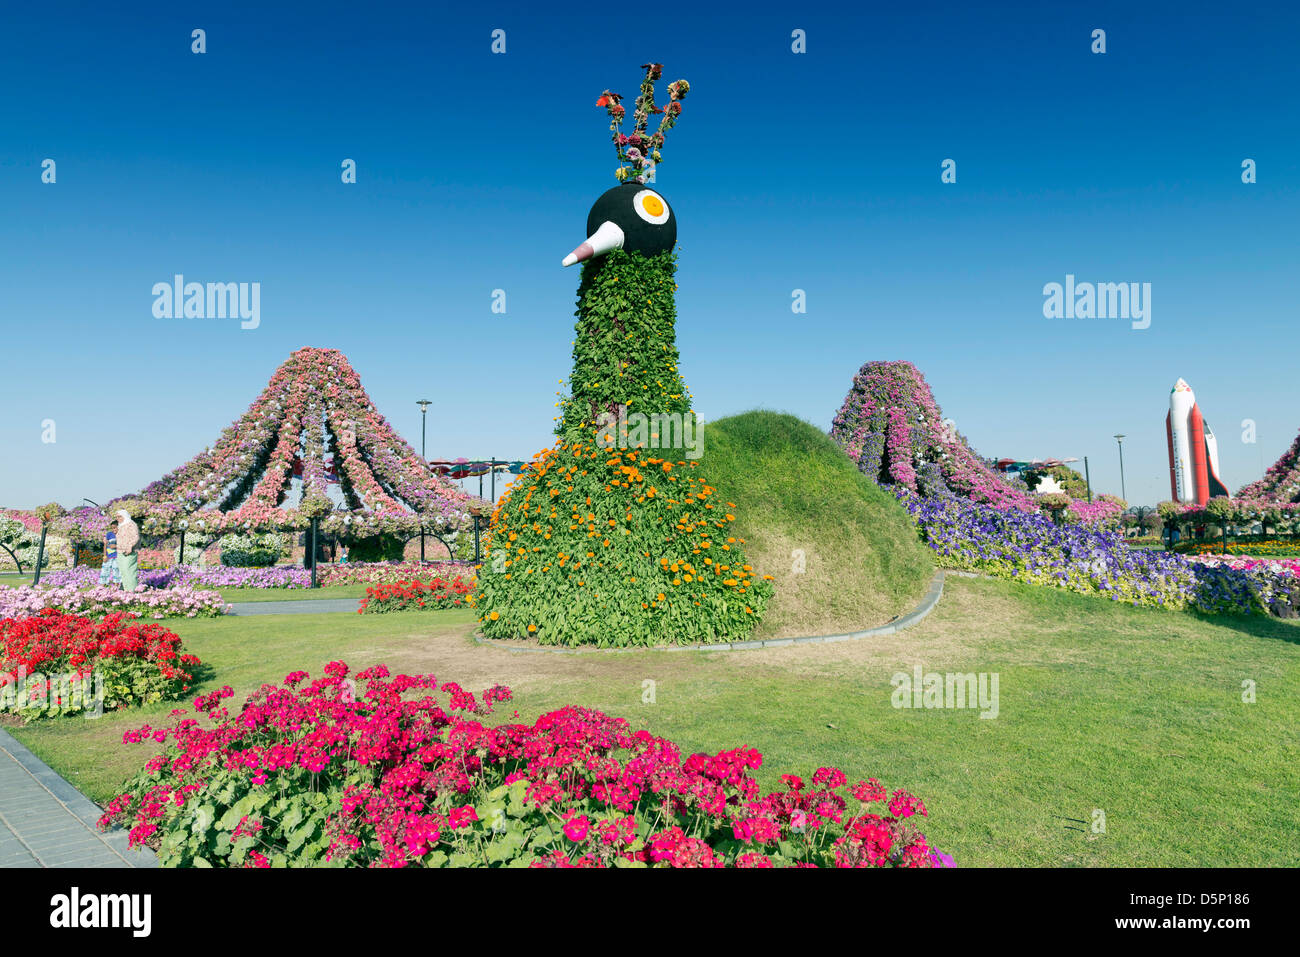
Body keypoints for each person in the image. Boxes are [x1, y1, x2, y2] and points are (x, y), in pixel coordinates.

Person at [115, 509, 140, 591]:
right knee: (123, 572)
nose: (118, 518)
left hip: (129, 552)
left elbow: (135, 537)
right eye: (117, 517)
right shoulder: (121, 525)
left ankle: (132, 591)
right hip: (120, 551)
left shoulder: (131, 524)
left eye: (119, 516)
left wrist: (130, 546)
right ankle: (126, 590)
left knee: (129, 571)